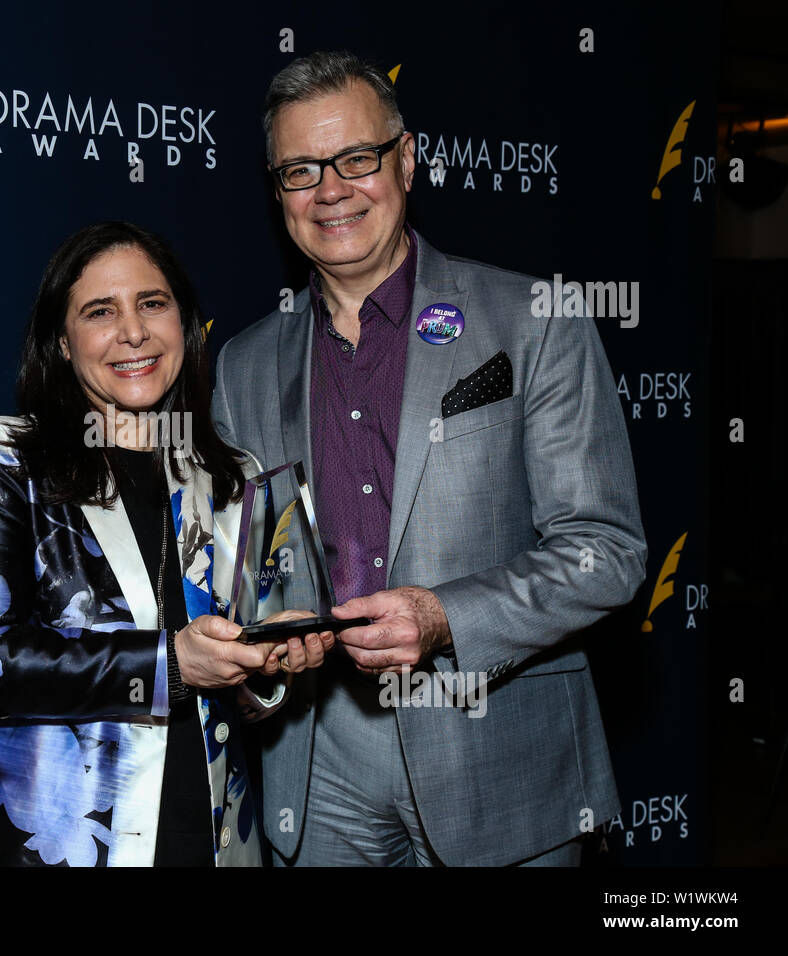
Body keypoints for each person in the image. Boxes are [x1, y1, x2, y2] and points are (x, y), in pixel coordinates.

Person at [212, 51, 648, 866]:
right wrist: (256, 658)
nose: (331, 190)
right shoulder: (240, 366)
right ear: (277, 194)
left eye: (356, 159)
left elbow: (606, 552)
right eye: (301, 170)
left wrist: (444, 617)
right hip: (319, 763)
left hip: (498, 750)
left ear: (406, 160)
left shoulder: (534, 320)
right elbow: (244, 570)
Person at [0, 221, 331, 866]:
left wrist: (267, 670)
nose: (133, 332)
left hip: (212, 836)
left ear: (184, 322)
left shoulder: (234, 477)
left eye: (152, 303)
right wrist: (169, 665)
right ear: (61, 343)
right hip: (55, 844)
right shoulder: (5, 458)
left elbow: (243, 691)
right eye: (99, 312)